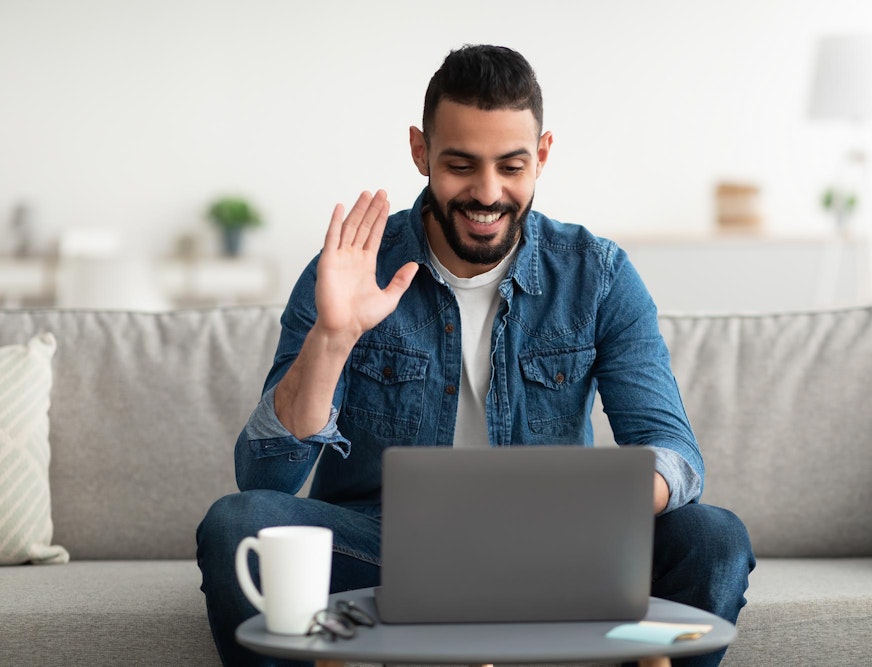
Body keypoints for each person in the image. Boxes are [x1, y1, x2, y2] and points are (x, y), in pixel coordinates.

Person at [197, 44, 754, 667]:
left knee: (714, 539)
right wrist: (332, 338)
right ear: (420, 152)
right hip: (388, 548)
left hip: (561, 548)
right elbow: (263, 480)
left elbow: (676, 453)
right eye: (461, 165)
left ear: (542, 156)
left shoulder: (596, 275)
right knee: (232, 524)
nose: (487, 193)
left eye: (511, 166)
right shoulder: (351, 270)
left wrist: (595, 510)